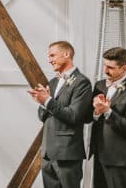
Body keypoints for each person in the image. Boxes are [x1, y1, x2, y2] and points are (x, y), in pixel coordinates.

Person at [27, 41, 92, 188]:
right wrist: (42, 102)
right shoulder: (53, 82)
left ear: (67, 54)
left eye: (52, 55)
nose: (49, 60)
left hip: (67, 154)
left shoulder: (82, 83)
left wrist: (48, 101)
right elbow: (42, 117)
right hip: (48, 154)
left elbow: (74, 116)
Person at [86, 47, 126, 188]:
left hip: (121, 161)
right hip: (99, 155)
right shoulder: (100, 85)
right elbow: (90, 117)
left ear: (124, 68)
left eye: (110, 67)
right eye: (105, 66)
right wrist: (96, 112)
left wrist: (108, 111)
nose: (105, 71)